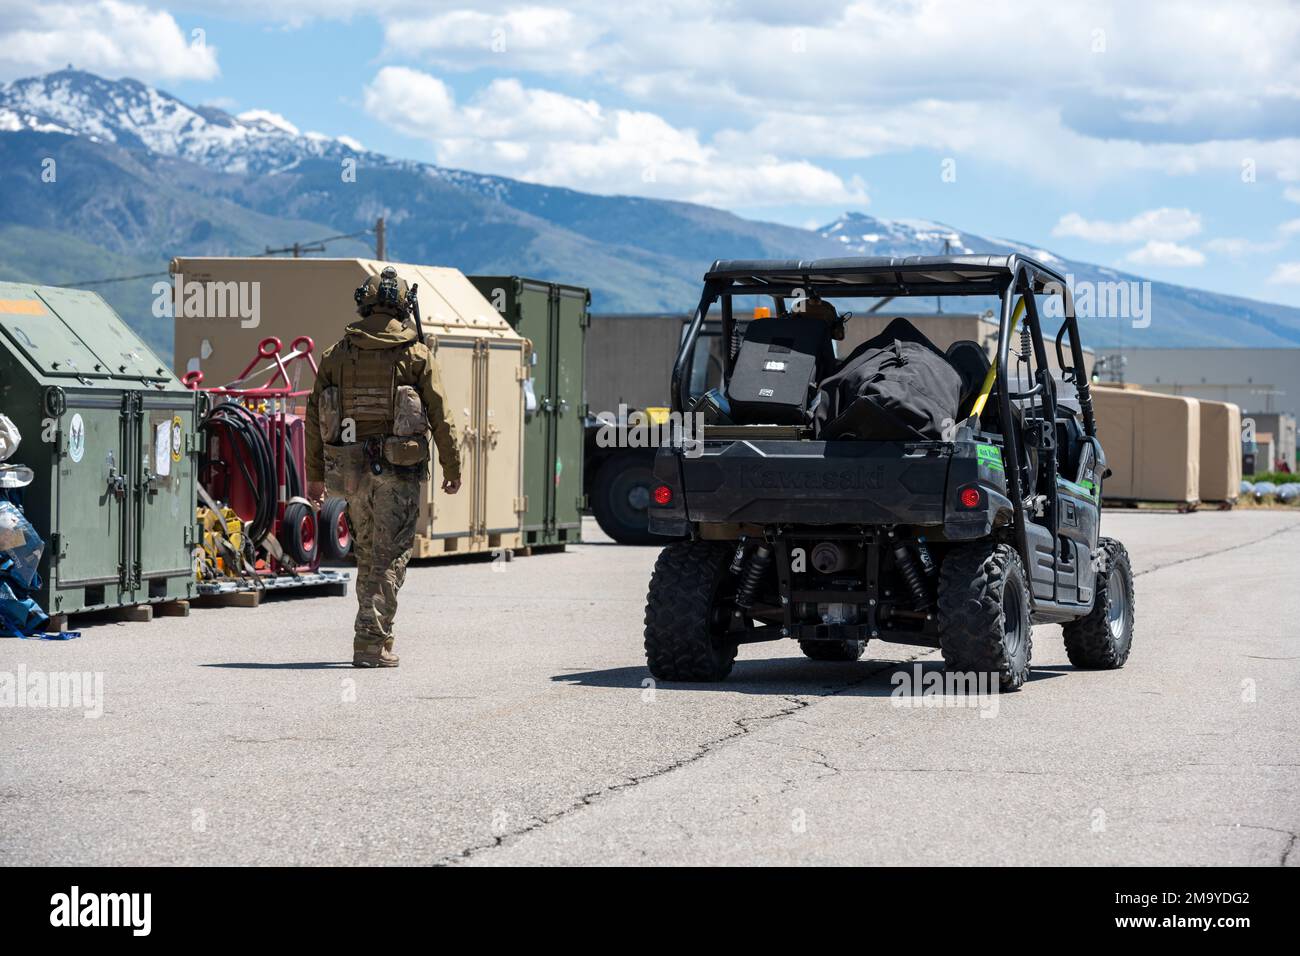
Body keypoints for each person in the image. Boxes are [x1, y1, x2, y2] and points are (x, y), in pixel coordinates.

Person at [305, 266, 461, 668]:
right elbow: (441, 416)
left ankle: (373, 637)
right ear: (402, 306)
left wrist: (316, 475)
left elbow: (312, 417)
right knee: (390, 556)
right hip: (399, 470)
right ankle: (371, 641)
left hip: (352, 471)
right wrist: (452, 466)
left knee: (369, 551)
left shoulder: (336, 355)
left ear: (364, 302)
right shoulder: (416, 354)